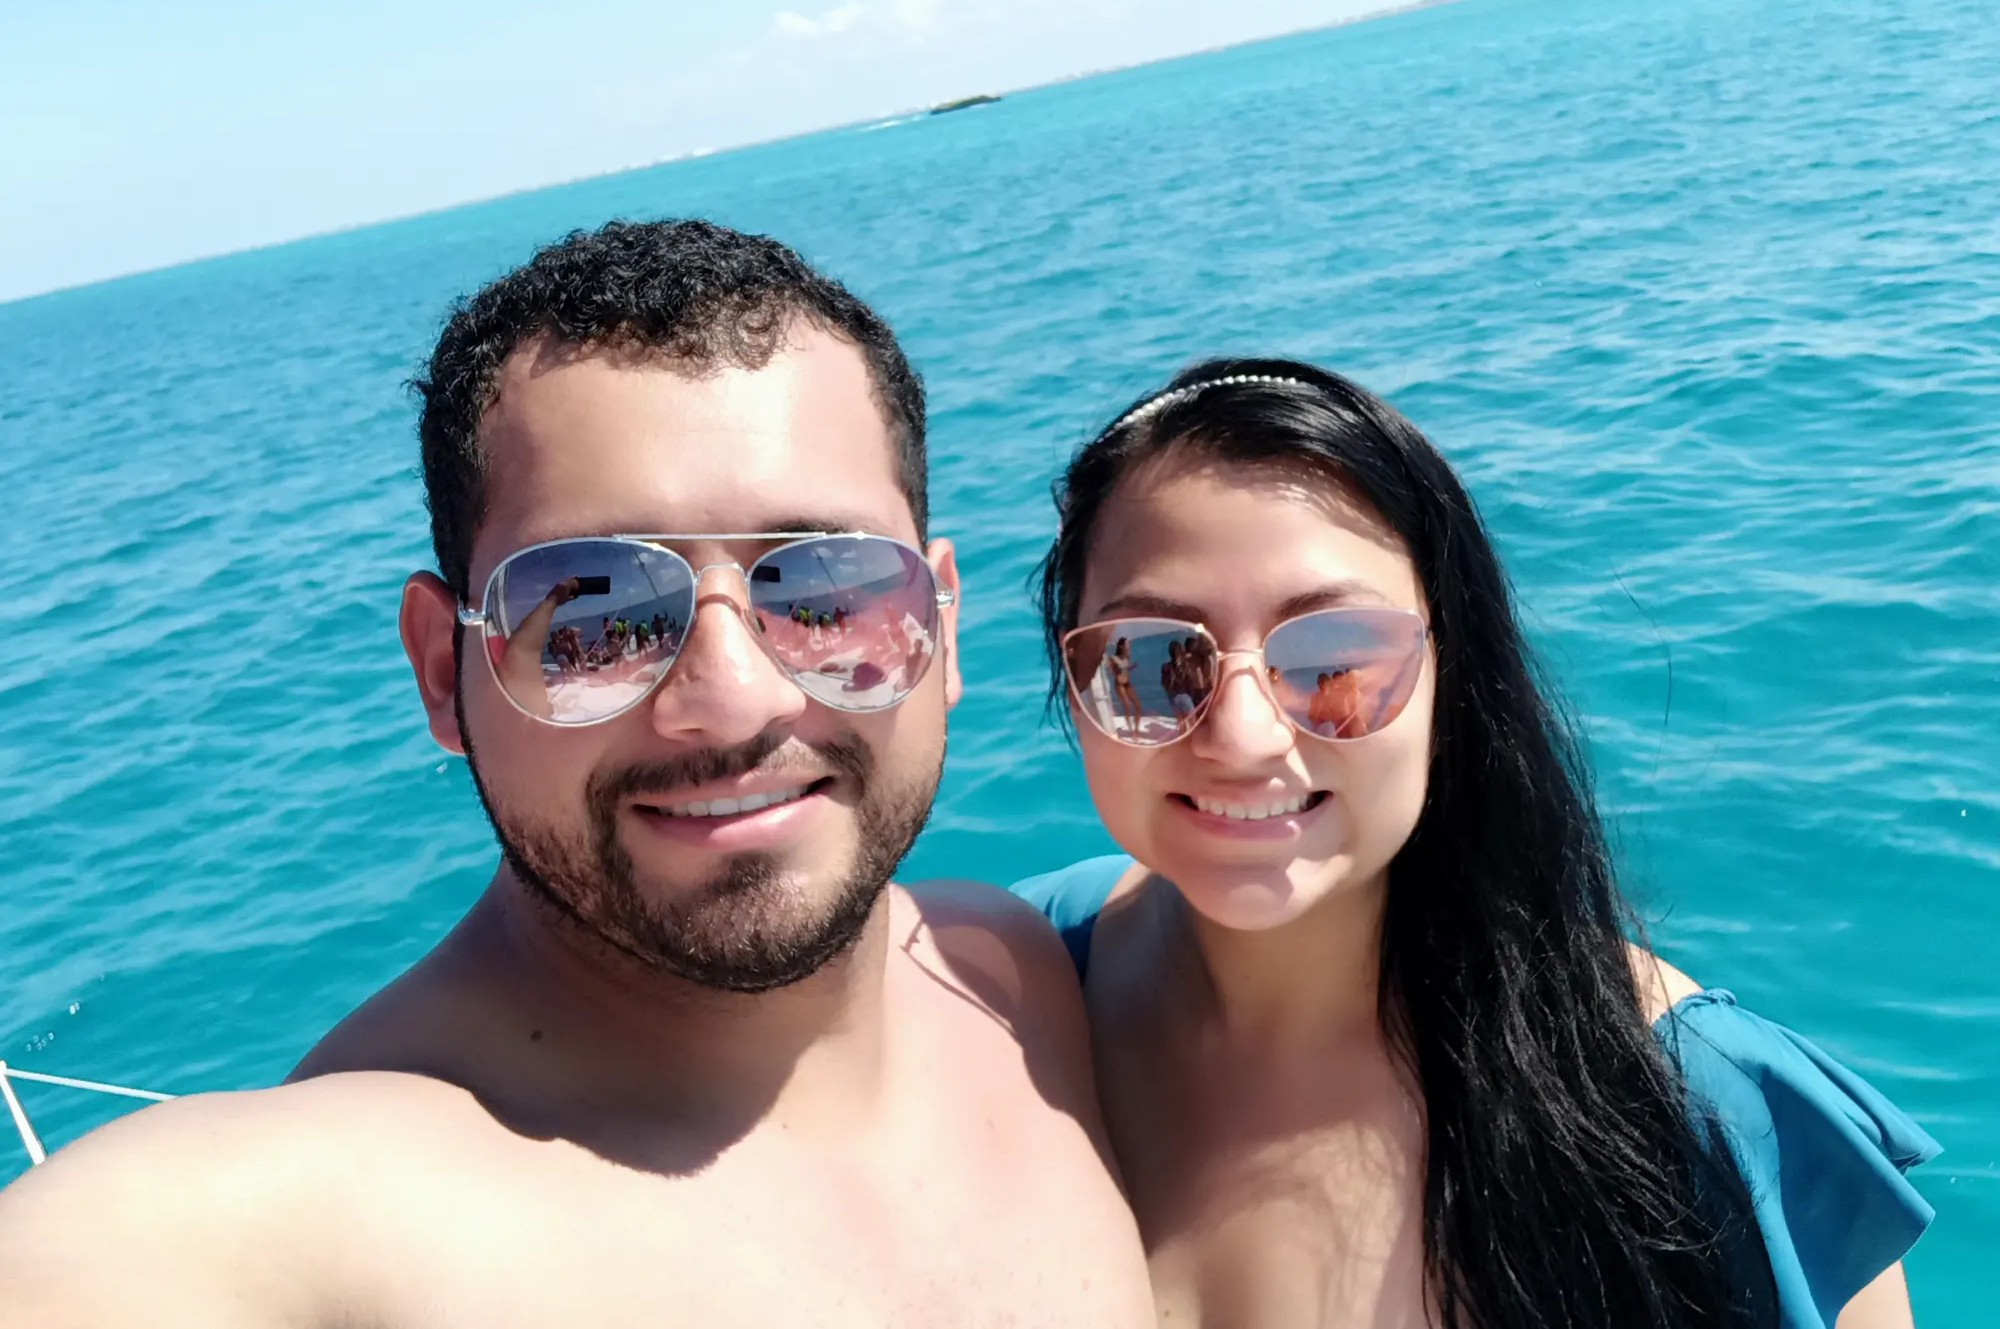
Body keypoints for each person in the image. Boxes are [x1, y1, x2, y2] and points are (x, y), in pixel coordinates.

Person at [0, 221, 1154, 1328]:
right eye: (593, 614)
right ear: (443, 672)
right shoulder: (332, 1218)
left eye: (822, 590)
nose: (732, 697)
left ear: (937, 626)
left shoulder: (1010, 980)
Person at [1015, 358, 1937, 1329]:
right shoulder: (1008, 997)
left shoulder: (1692, 1106)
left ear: (1450, 678)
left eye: (1331, 659)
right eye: (1151, 662)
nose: (1242, 739)